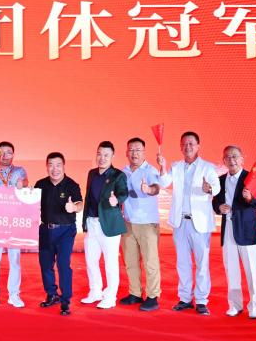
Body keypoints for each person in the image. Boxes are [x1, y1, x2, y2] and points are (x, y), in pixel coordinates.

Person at [157, 131, 220, 316]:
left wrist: (209, 188)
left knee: (202, 263)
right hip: (180, 222)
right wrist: (162, 167)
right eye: (184, 144)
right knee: (182, 263)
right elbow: (164, 183)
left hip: (199, 223)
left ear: (198, 146)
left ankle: (201, 300)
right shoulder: (176, 166)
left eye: (191, 144)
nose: (188, 147)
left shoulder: (207, 167)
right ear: (180, 147)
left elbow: (216, 187)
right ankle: (185, 298)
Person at [212, 145, 256, 319]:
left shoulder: (251, 178)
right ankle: (235, 305)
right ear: (223, 160)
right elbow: (215, 202)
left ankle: (255, 305)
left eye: (235, 156)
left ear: (242, 159)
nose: (231, 160)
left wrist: (250, 198)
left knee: (252, 270)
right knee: (231, 269)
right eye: (227, 157)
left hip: (247, 230)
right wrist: (219, 207)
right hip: (228, 229)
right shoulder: (220, 180)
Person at [80, 141, 128, 310]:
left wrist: (117, 200)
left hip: (108, 224)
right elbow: (88, 198)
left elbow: (123, 192)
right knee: (91, 260)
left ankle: (110, 297)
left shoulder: (118, 175)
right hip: (91, 223)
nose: (102, 158)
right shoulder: (92, 173)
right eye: (99, 154)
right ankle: (95, 291)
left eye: (106, 155)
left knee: (110, 262)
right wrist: (85, 221)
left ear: (112, 156)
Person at [35, 152, 83, 316]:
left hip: (65, 231)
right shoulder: (41, 184)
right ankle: (52, 294)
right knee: (45, 265)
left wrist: (74, 207)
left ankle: (65, 301)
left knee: (63, 265)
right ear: (46, 166)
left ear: (63, 166)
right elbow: (31, 203)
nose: (54, 169)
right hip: (45, 230)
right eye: (51, 165)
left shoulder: (71, 185)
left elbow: (79, 203)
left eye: (58, 165)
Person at [120, 137, 162, 312]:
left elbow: (156, 188)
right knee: (130, 261)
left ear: (144, 152)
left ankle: (153, 296)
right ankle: (135, 293)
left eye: (138, 150)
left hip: (147, 223)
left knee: (150, 261)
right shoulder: (123, 172)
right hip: (128, 222)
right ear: (126, 152)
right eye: (131, 149)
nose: (134, 153)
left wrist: (149, 190)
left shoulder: (150, 170)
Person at [0, 141, 28, 308]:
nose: (4, 155)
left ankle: (14, 294)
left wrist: (23, 184)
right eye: (1, 152)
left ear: (13, 154)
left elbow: (25, 183)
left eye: (8, 152)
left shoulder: (19, 171)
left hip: (14, 221)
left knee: (15, 260)